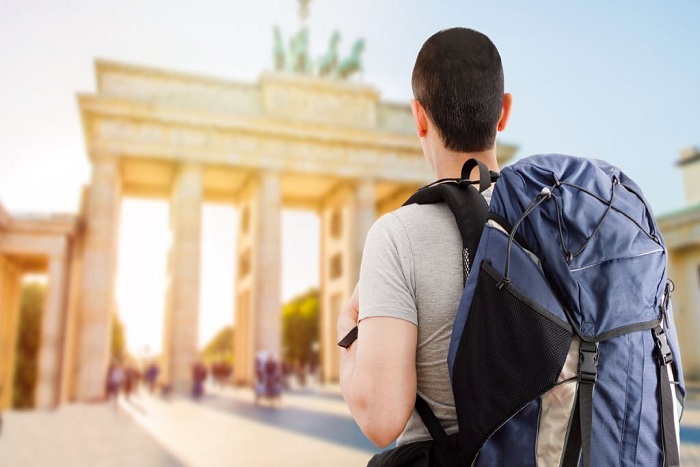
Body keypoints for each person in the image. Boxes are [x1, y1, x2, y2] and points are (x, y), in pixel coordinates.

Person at [337, 27, 512, 450]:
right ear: (503, 113)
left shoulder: (397, 236)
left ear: (419, 117)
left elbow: (382, 419)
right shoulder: (556, 216)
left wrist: (346, 334)